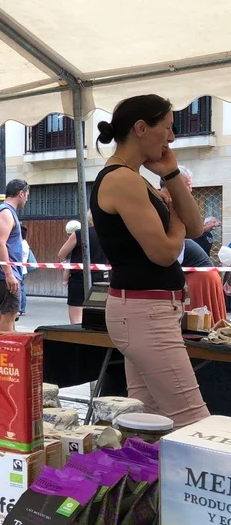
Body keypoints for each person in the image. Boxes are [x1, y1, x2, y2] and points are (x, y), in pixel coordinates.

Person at [91, 93, 208, 427]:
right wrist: (176, 220)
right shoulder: (123, 179)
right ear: (141, 128)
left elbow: (195, 227)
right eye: (167, 127)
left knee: (148, 420)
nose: (171, 138)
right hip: (146, 313)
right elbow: (164, 252)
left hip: (145, 311)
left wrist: (170, 173)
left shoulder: (133, 177)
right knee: (193, 422)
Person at [0, 179, 29, 332]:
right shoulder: (6, 212)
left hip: (1, 273)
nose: (27, 199)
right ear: (21, 193)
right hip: (4, 274)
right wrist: (9, 274)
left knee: (0, 313)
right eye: (27, 195)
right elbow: (0, 243)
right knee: (9, 314)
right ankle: (2, 345)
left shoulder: (4, 211)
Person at [57, 212, 108, 324]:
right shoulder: (112, 235)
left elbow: (61, 254)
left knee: (76, 318)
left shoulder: (80, 234)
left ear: (90, 218)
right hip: (103, 278)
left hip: (80, 279)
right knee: (101, 314)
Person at [180, 238, 226, 322]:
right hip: (207, 276)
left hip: (201, 278)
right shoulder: (185, 242)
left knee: (196, 315)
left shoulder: (180, 243)